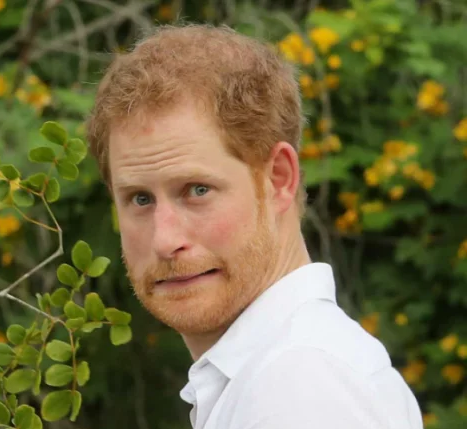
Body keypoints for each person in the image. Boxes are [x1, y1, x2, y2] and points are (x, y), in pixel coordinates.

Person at [86, 23, 423, 429]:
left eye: (197, 190)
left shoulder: (300, 385)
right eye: (140, 199)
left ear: (279, 179)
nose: (165, 239)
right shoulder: (277, 371)